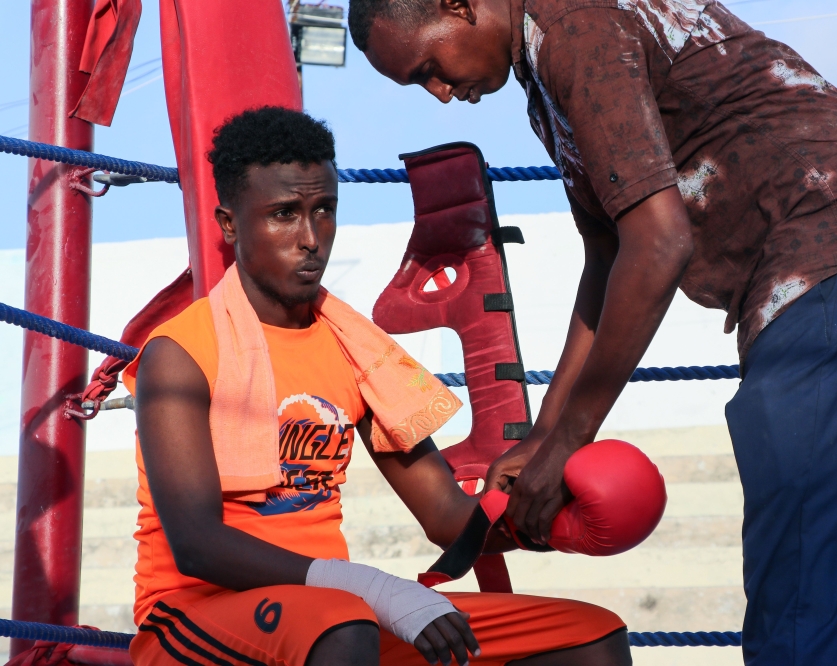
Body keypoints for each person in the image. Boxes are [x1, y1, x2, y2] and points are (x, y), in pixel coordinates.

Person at [348, 0, 837, 663]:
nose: (441, 94)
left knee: (810, 562)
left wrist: (573, 438)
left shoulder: (573, 26)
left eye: (429, 69)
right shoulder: (545, 63)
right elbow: (609, 255)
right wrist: (545, 437)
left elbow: (658, 243)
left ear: (457, 5)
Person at [123, 106, 631, 666]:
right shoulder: (179, 353)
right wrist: (378, 590)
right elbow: (195, 544)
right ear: (229, 224)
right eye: (284, 214)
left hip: (334, 612)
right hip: (195, 614)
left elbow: (446, 517)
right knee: (344, 626)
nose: (311, 238)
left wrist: (555, 519)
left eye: (324, 210)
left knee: (590, 639)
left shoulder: (351, 347)